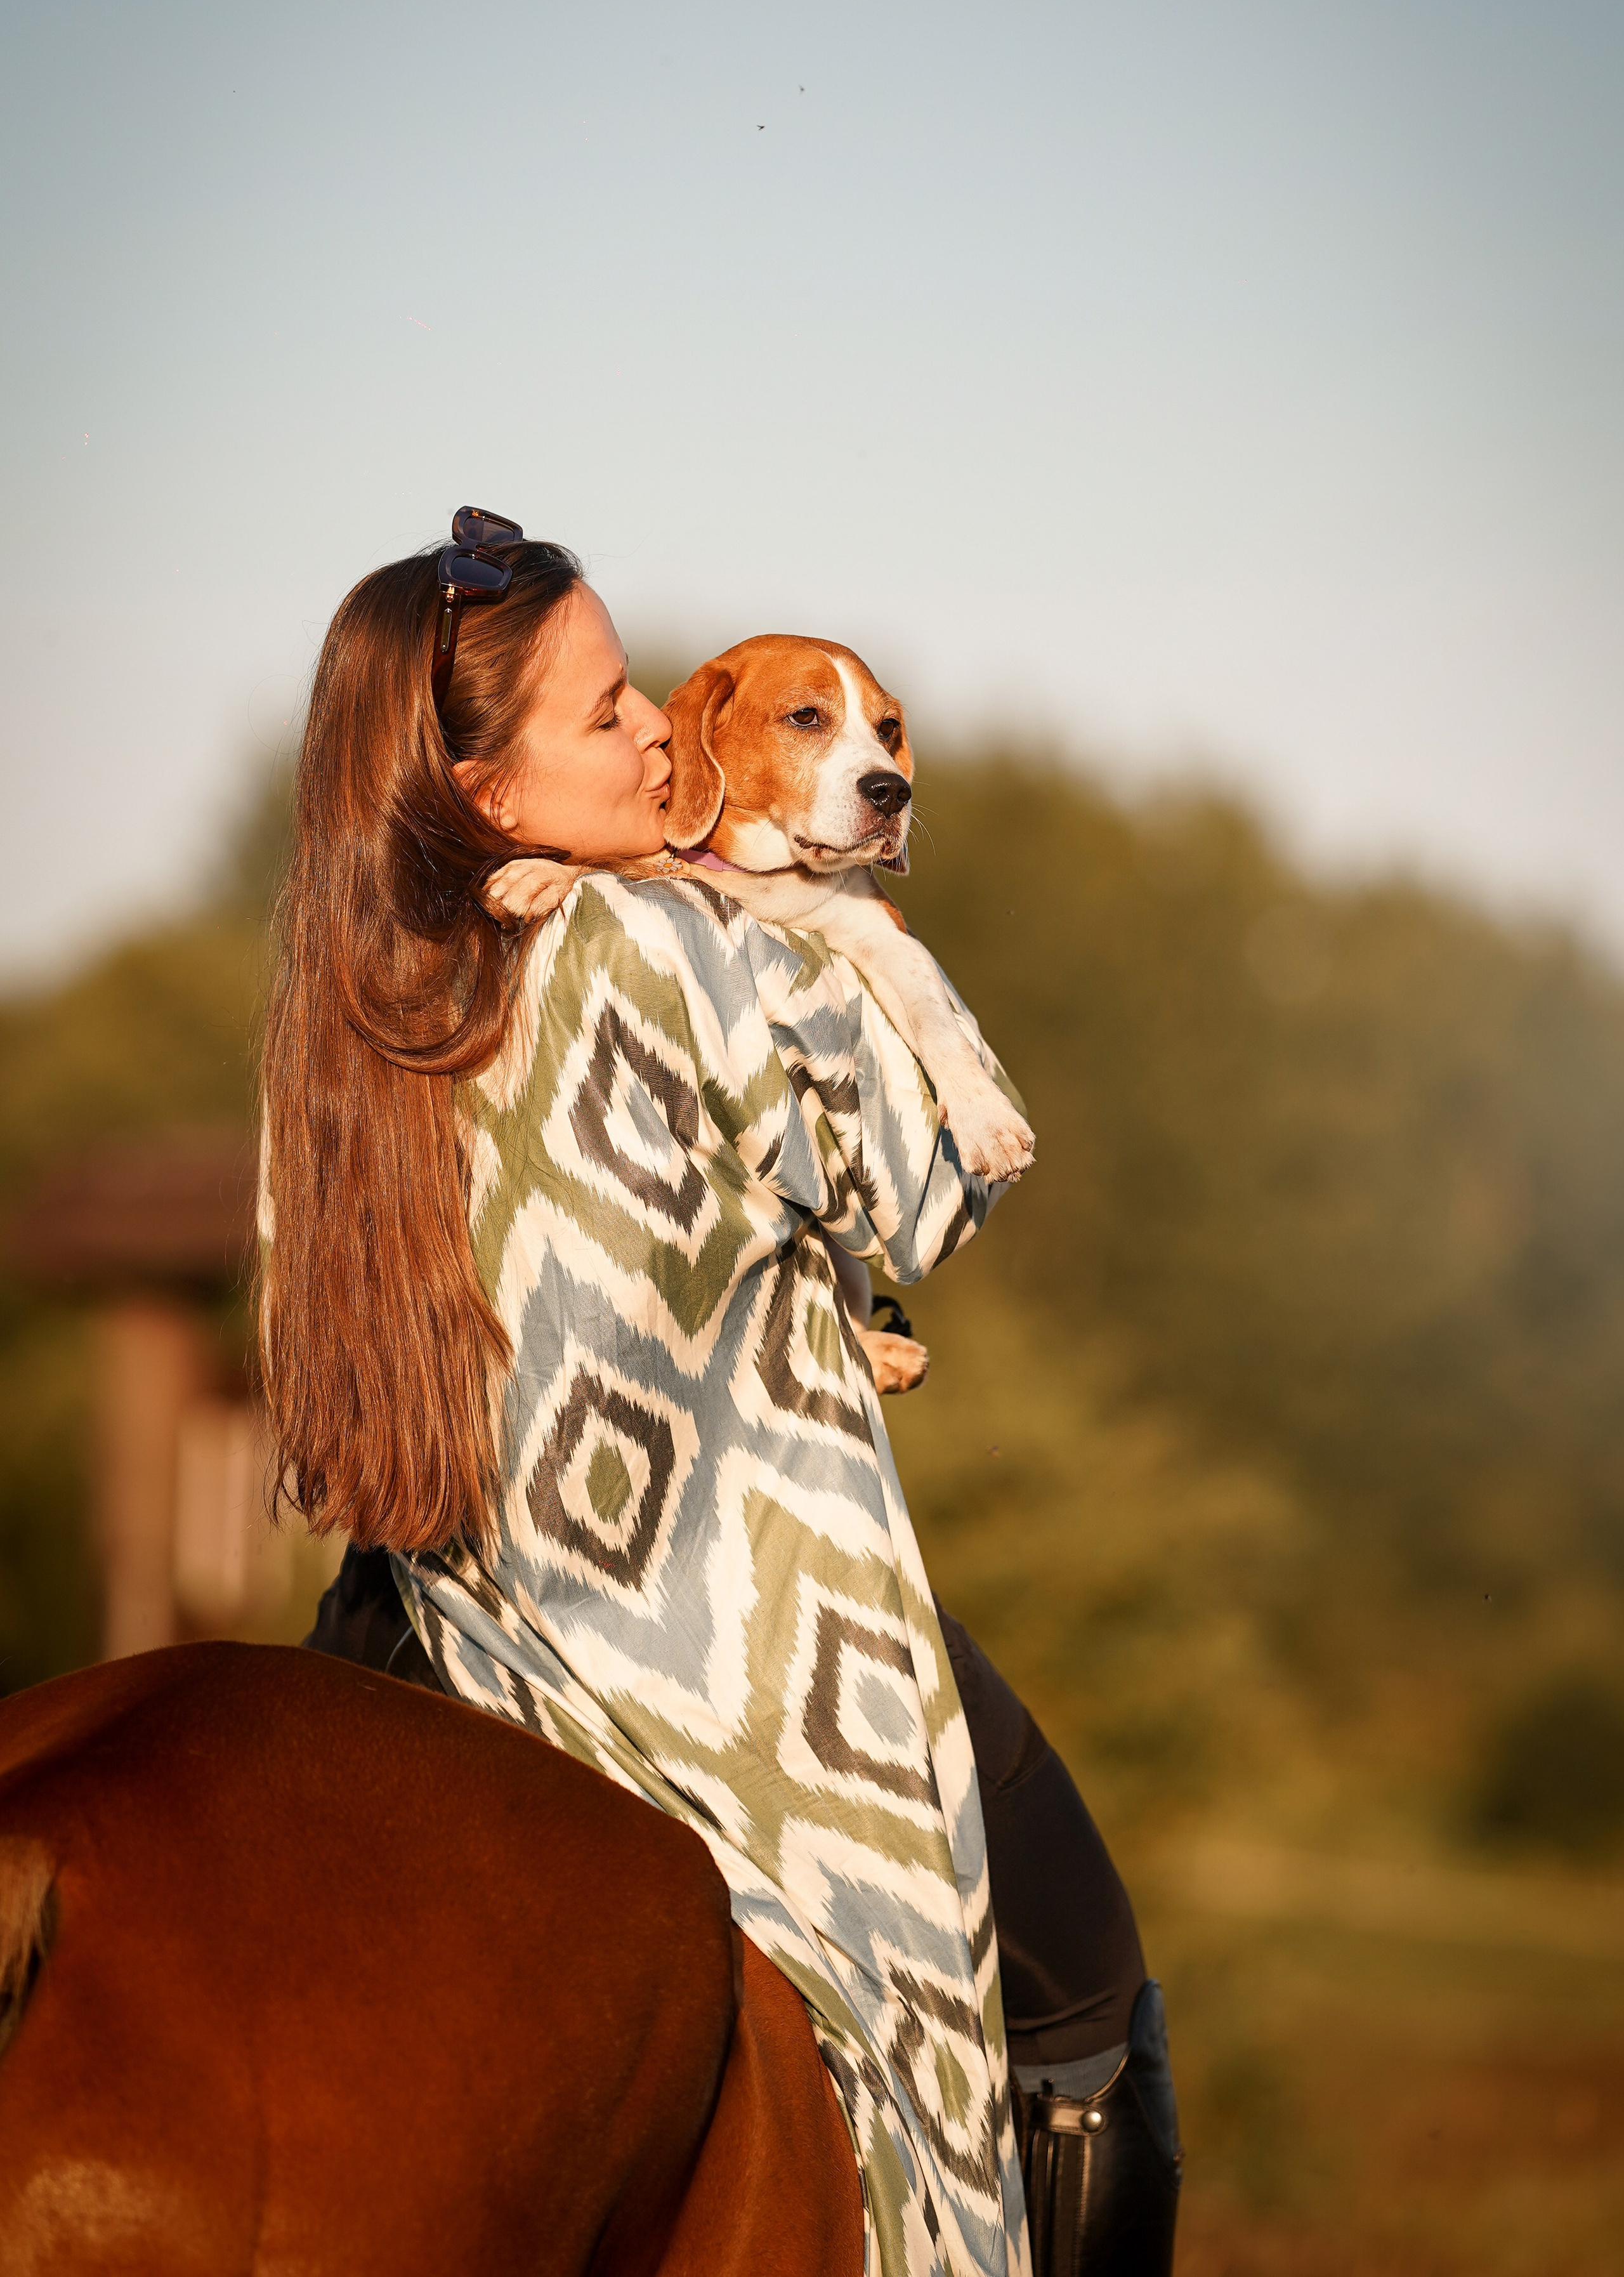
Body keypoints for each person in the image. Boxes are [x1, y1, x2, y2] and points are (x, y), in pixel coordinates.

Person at [266, 513, 1180, 2277]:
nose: (654, 741)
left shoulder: (336, 1016)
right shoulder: (699, 957)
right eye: (610, 714)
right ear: (493, 790)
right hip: (746, 1625)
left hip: (444, 1615)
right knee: (1083, 1981)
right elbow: (932, 1180)